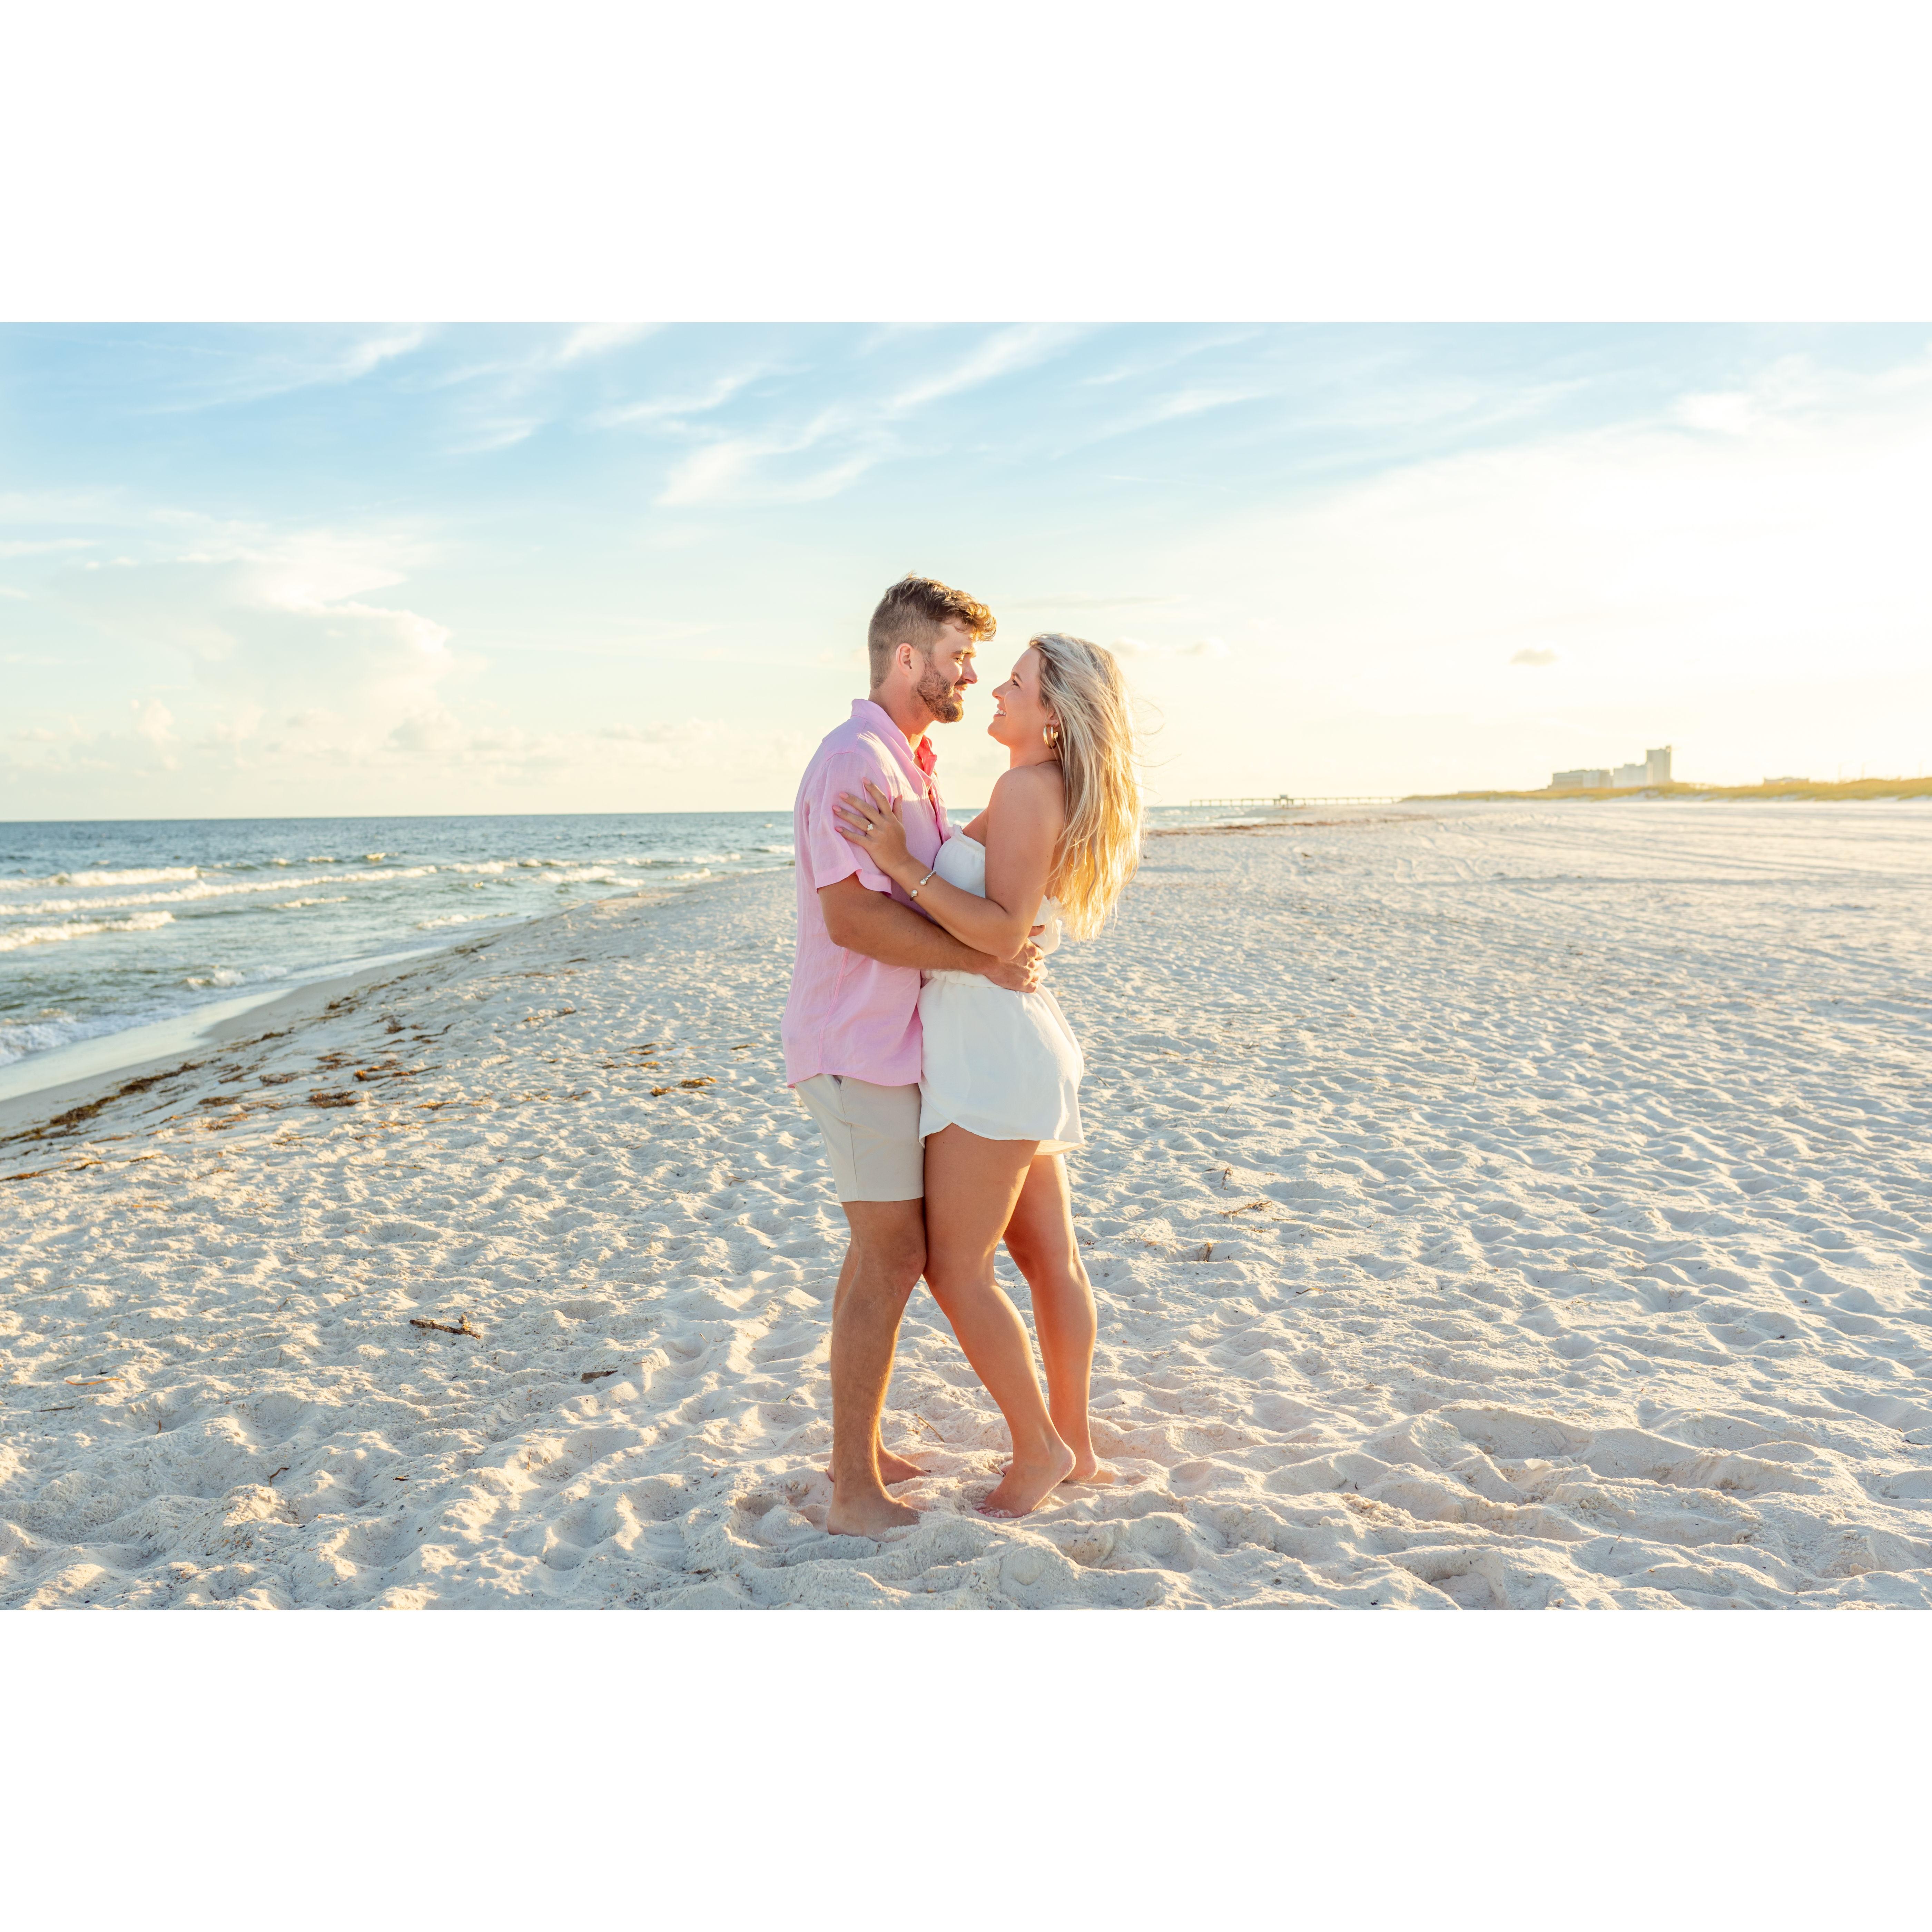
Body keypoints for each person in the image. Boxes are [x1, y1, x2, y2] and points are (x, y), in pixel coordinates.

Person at [836, 632, 1142, 1517]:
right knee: (1049, 1257)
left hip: (988, 1051)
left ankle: (1040, 1449)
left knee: (956, 1269)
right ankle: (1074, 1443)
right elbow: (1007, 927)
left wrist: (899, 863)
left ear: (1055, 717)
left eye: (1015, 683)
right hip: (1007, 1042)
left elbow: (1003, 931)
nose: (996, 691)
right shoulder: (1044, 789)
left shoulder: (1024, 789)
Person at [782, 576, 1044, 1538]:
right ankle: (854, 1489)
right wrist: (985, 959)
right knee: (894, 1255)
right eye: (958, 656)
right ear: (906, 658)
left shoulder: (909, 759)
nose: (971, 674)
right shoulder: (858, 762)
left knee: (878, 1254)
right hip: (854, 1043)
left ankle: (858, 1453)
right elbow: (852, 920)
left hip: (890, 1043)